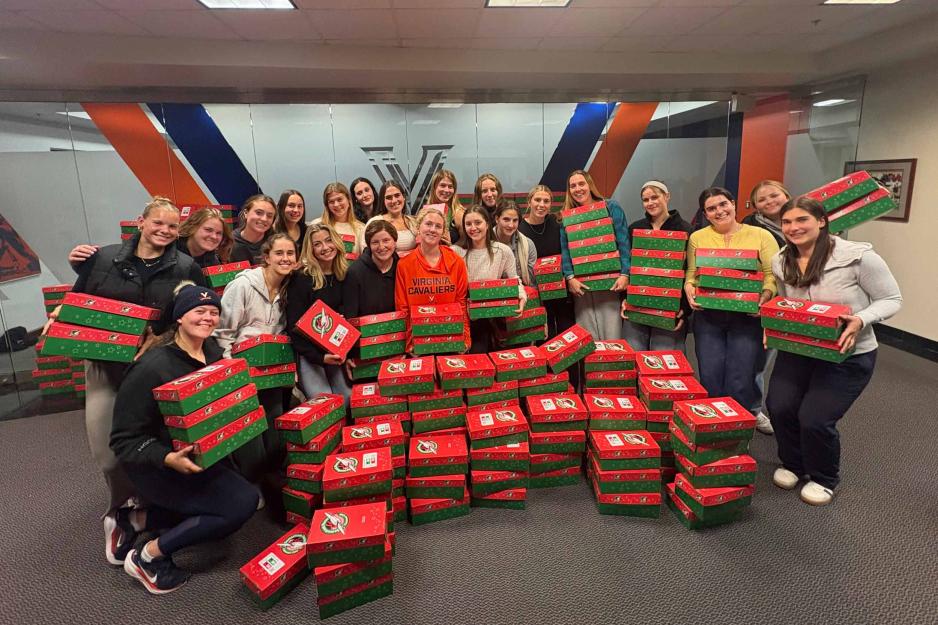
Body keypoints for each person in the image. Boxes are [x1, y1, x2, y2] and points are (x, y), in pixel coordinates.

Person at [50, 196, 206, 567]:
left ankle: (144, 509)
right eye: (158, 224)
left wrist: (160, 338)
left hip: (152, 369)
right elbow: (79, 303)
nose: (165, 231)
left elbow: (191, 317)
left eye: (172, 226)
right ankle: (119, 508)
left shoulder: (186, 266)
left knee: (151, 441)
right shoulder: (102, 259)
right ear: (141, 222)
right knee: (107, 451)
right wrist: (63, 315)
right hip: (105, 366)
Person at [110, 283, 258, 594]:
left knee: (239, 494)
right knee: (240, 504)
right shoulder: (150, 367)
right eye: (199, 311)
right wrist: (167, 459)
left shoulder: (213, 351)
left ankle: (137, 518)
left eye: (214, 312)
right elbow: (123, 439)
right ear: (179, 317)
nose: (207, 318)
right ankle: (148, 557)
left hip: (200, 455)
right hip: (161, 464)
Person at [766, 196, 901, 506]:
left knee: (815, 418)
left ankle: (823, 477)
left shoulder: (859, 258)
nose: (793, 227)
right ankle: (793, 463)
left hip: (848, 354)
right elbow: (788, 304)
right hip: (800, 350)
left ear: (821, 221)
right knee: (780, 406)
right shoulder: (781, 260)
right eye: (787, 222)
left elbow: (892, 299)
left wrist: (860, 319)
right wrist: (774, 329)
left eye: (802, 220)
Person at [684, 187, 780, 426]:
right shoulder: (698, 237)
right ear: (705, 214)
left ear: (734, 204)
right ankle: (712, 427)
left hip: (747, 316)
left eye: (723, 204)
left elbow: (772, 274)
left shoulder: (761, 235)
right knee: (710, 375)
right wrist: (689, 288)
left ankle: (737, 430)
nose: (719, 211)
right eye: (711, 208)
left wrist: (766, 295)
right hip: (709, 317)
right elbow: (692, 273)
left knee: (741, 377)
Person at [212, 234, 297, 492]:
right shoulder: (243, 286)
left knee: (274, 439)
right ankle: (249, 485)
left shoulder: (288, 289)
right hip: (240, 372)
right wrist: (232, 373)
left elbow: (282, 332)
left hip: (270, 374)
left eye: (290, 254)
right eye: (279, 253)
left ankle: (267, 482)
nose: (285, 259)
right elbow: (222, 334)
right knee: (251, 443)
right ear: (267, 257)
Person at [742, 180, 791, 433]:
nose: (770, 201)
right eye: (762, 199)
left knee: (790, 364)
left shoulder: (801, 220)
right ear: (756, 206)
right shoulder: (748, 227)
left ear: (786, 194)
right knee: (757, 360)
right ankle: (753, 410)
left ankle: (790, 417)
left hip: (797, 302)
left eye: (774, 195)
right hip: (762, 302)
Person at [621, 180, 694, 352]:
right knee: (634, 357)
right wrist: (625, 299)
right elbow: (628, 268)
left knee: (663, 362)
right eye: (646, 200)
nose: (650, 203)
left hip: (669, 309)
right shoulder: (635, 229)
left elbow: (690, 271)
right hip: (637, 307)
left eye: (655, 197)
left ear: (667, 196)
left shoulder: (686, 230)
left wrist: (684, 308)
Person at [559, 170, 631, 341]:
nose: (578, 189)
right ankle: (591, 369)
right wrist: (569, 278)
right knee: (587, 337)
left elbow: (623, 242)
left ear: (590, 185)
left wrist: (625, 274)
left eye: (581, 184)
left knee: (612, 335)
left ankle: (612, 367)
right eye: (573, 186)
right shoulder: (567, 216)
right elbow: (565, 250)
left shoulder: (611, 207)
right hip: (581, 285)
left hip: (610, 282)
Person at [285, 223, 352, 401]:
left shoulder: (344, 274)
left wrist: (347, 353)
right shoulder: (302, 278)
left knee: (347, 397)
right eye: (317, 244)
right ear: (311, 249)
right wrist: (320, 357)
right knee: (323, 401)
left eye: (328, 240)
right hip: (310, 353)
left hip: (337, 352)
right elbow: (294, 325)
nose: (325, 248)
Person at [395, 205, 470, 353]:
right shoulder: (404, 265)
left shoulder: (457, 262)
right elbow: (403, 309)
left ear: (443, 231)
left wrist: (465, 338)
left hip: (451, 340)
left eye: (438, 226)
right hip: (418, 343)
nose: (432, 229)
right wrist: (409, 344)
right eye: (428, 224)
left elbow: (461, 305)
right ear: (418, 227)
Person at [453, 205, 526, 353]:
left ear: (487, 224)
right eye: (468, 224)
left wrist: (522, 296)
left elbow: (514, 280)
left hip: (488, 319)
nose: (473, 228)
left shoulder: (502, 251)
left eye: (478, 223)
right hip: (461, 318)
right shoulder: (455, 252)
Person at [519, 185, 577, 341]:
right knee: (545, 337)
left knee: (568, 335)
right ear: (529, 202)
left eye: (546, 201)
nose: (541, 205)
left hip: (560, 291)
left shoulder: (556, 223)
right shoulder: (519, 229)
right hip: (537, 294)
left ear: (551, 204)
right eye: (537, 200)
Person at [343, 220, 400, 319]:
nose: (381, 247)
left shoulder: (402, 268)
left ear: (395, 242)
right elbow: (351, 316)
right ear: (369, 246)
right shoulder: (355, 272)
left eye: (386, 240)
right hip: (366, 332)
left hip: (399, 331)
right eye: (375, 242)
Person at [313, 182, 365, 257]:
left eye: (340, 199)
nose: (336, 204)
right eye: (331, 202)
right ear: (327, 205)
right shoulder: (317, 225)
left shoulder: (361, 228)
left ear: (349, 200)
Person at [367, 180, 417, 256]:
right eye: (389, 197)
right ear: (383, 201)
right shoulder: (375, 222)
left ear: (403, 197)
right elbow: (366, 252)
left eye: (397, 195)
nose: (394, 201)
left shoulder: (413, 221)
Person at [493, 201, 536, 287]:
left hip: (522, 293)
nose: (511, 225)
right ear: (497, 219)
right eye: (506, 219)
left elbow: (531, 282)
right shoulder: (483, 242)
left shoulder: (528, 244)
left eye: (515, 220)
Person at [230, 194, 276, 265]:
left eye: (269, 216)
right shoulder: (229, 242)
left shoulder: (276, 243)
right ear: (246, 213)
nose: (264, 219)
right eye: (258, 213)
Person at [425, 169, 460, 243]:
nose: (446, 190)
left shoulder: (458, 213)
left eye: (450, 187)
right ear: (434, 187)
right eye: (442, 185)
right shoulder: (425, 212)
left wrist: (451, 246)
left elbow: (467, 242)